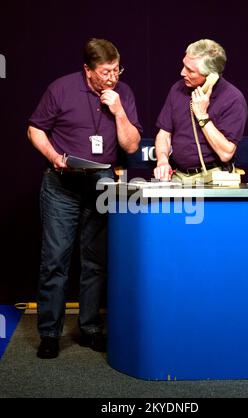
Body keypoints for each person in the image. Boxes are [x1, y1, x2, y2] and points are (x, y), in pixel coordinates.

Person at [28, 38, 142, 359]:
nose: (112, 77)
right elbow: (35, 129)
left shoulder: (124, 94)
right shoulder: (61, 89)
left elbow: (132, 145)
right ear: (87, 70)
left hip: (101, 183)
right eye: (105, 72)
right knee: (55, 262)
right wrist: (53, 155)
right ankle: (49, 333)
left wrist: (118, 110)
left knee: (96, 261)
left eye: (116, 70)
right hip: (61, 184)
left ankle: (90, 328)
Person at [154, 39, 248, 182]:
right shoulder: (177, 89)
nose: (182, 73)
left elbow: (226, 153)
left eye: (190, 71)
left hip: (213, 176)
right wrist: (162, 161)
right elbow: (164, 134)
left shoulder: (233, 99)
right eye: (184, 66)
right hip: (179, 175)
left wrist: (202, 116)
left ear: (211, 76)